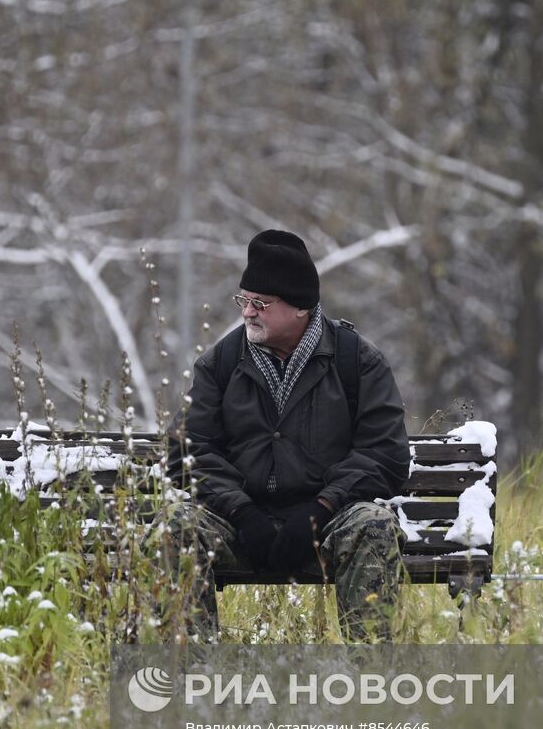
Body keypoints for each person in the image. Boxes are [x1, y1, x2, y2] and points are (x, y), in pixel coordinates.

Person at [165, 229, 410, 641]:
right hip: (239, 524)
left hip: (330, 521)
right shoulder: (220, 363)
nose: (247, 312)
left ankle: (372, 682)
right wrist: (241, 512)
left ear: (300, 308)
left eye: (260, 303)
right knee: (175, 527)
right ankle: (196, 684)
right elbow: (187, 451)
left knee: (373, 525)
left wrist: (321, 507)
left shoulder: (357, 361)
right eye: (243, 300)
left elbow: (385, 453)